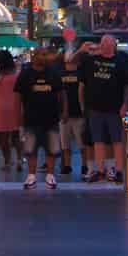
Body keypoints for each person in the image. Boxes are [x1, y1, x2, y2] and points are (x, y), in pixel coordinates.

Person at [80, 35, 128, 183]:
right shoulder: (90, 61)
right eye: (102, 44)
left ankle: (119, 170)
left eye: (108, 44)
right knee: (98, 140)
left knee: (117, 140)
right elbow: (82, 83)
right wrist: (83, 105)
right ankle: (100, 170)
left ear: (113, 46)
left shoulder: (121, 62)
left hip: (114, 108)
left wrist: (125, 104)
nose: (105, 46)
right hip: (95, 107)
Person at [15, 47, 63, 189]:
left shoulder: (54, 72)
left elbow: (61, 93)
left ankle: (50, 175)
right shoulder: (25, 73)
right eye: (42, 55)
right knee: (30, 149)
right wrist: (19, 115)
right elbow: (18, 96)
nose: (44, 57)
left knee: (52, 148)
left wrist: (63, 111)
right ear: (34, 56)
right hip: (31, 118)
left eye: (46, 55)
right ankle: (31, 176)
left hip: (51, 117)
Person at [0, 52, 24, 177]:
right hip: (15, 107)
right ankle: (19, 159)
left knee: (2, 138)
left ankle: (8, 161)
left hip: (0, 109)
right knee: (16, 136)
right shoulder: (17, 74)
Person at [58, 45, 88, 176]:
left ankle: (85, 165)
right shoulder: (59, 73)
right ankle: (67, 165)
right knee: (65, 144)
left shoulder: (81, 73)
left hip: (78, 113)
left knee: (82, 143)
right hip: (63, 114)